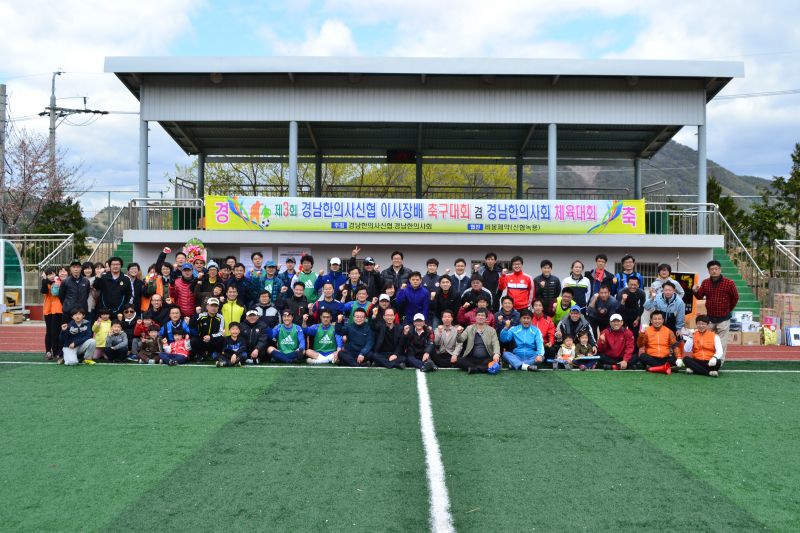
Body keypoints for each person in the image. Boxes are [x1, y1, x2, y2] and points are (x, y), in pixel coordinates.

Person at [692, 260, 739, 352]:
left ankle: (719, 359)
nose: (714, 271)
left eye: (716, 269)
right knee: (707, 340)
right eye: (712, 269)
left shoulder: (729, 283)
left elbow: (735, 297)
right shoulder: (705, 282)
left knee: (722, 342)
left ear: (720, 270)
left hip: (724, 317)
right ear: (709, 271)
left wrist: (729, 309)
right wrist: (695, 291)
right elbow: (699, 296)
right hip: (710, 317)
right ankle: (706, 357)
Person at [455, 309, 501, 374]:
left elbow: (495, 343)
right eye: (479, 315)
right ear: (475, 317)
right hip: (472, 358)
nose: (480, 317)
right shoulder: (469, 328)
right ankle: (482, 368)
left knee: (496, 360)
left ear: (486, 318)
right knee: (459, 360)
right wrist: (459, 333)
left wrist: (496, 354)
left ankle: (474, 369)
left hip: (486, 358)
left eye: (483, 316)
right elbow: (460, 340)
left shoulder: (491, 330)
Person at [635, 310, 681, 374]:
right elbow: (640, 345)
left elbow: (675, 345)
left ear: (663, 320)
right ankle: (665, 368)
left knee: (674, 359)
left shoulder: (668, 331)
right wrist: (642, 333)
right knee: (642, 356)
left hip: (665, 358)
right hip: (652, 357)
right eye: (655, 319)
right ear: (651, 321)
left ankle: (655, 367)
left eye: (659, 319)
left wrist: (679, 358)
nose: (657, 321)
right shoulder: (646, 331)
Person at [190, 297, 225, 362]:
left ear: (218, 307)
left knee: (222, 339)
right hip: (202, 340)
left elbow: (221, 332)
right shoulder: (201, 315)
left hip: (213, 340)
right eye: (211, 305)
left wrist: (210, 337)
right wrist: (196, 314)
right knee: (193, 340)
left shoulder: (220, 317)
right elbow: (191, 325)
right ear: (207, 307)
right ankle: (200, 355)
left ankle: (213, 354)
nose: (213, 308)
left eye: (215, 306)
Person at [41, 267, 64, 361]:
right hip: (48, 310)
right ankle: (48, 351)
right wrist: (44, 280)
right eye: (49, 274)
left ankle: (56, 351)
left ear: (56, 274)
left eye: (53, 274)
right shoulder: (45, 283)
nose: (51, 276)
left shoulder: (59, 282)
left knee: (56, 331)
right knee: (49, 331)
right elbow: (44, 291)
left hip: (58, 309)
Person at [616, 276, 646, 342]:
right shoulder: (621, 292)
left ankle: (634, 348)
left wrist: (637, 319)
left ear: (638, 285)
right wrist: (623, 300)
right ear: (627, 284)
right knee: (621, 333)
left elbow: (642, 307)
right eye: (631, 284)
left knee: (635, 334)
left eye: (635, 285)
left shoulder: (641, 293)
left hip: (635, 314)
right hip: (623, 313)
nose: (633, 286)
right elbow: (618, 309)